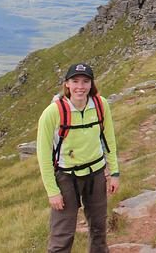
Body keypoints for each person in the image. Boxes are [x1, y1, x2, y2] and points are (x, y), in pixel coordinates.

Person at [36, 63, 120, 253]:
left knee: (99, 229)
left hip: (96, 174)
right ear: (67, 84)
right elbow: (43, 155)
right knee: (62, 235)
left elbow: (109, 140)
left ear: (91, 84)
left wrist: (113, 172)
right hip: (67, 177)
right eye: (75, 81)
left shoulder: (100, 104)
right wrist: (52, 191)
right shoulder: (53, 113)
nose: (80, 87)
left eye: (85, 81)